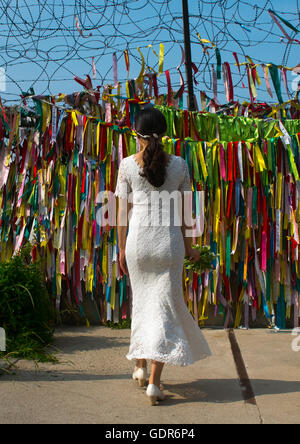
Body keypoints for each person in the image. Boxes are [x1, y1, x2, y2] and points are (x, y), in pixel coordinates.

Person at [114, 107, 211, 406]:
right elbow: (185, 214)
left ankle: (140, 367)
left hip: (138, 247)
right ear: (165, 133)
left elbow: (120, 214)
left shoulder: (127, 165)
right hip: (169, 246)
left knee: (142, 304)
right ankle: (154, 384)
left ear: (136, 134)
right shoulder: (180, 166)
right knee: (165, 311)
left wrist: (120, 248)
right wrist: (192, 246)